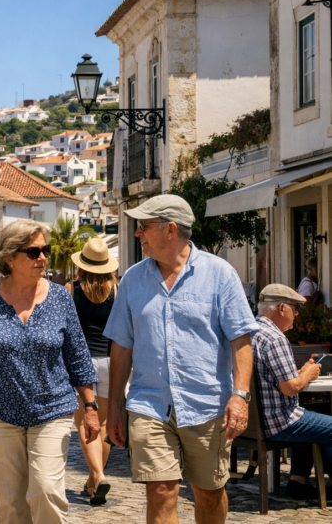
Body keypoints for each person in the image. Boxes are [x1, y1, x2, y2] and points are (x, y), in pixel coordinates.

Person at [104, 194, 258, 524]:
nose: (137, 233)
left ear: (170, 229)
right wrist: (114, 406)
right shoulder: (132, 279)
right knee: (160, 491)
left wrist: (240, 397)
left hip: (207, 405)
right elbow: (122, 346)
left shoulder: (220, 275)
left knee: (208, 492)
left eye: (144, 226)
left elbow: (241, 341)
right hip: (149, 404)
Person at [0, 220, 99, 523]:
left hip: (52, 409)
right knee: (11, 505)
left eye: (46, 250)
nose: (43, 257)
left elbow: (79, 356)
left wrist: (91, 406)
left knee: (46, 492)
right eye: (33, 252)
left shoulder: (60, 298)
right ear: (9, 258)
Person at [252, 284, 331, 499]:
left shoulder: (250, 332)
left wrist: (300, 372)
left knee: (312, 412)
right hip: (278, 422)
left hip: (254, 423)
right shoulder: (275, 338)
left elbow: (271, 378)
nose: (296, 314)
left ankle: (299, 480)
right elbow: (289, 389)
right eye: (295, 308)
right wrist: (308, 374)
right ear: (281, 308)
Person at [64, 237, 118, 505]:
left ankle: (98, 475)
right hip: (108, 362)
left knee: (86, 424)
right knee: (103, 425)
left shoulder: (70, 290)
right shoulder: (117, 291)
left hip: (79, 364)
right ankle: (92, 482)